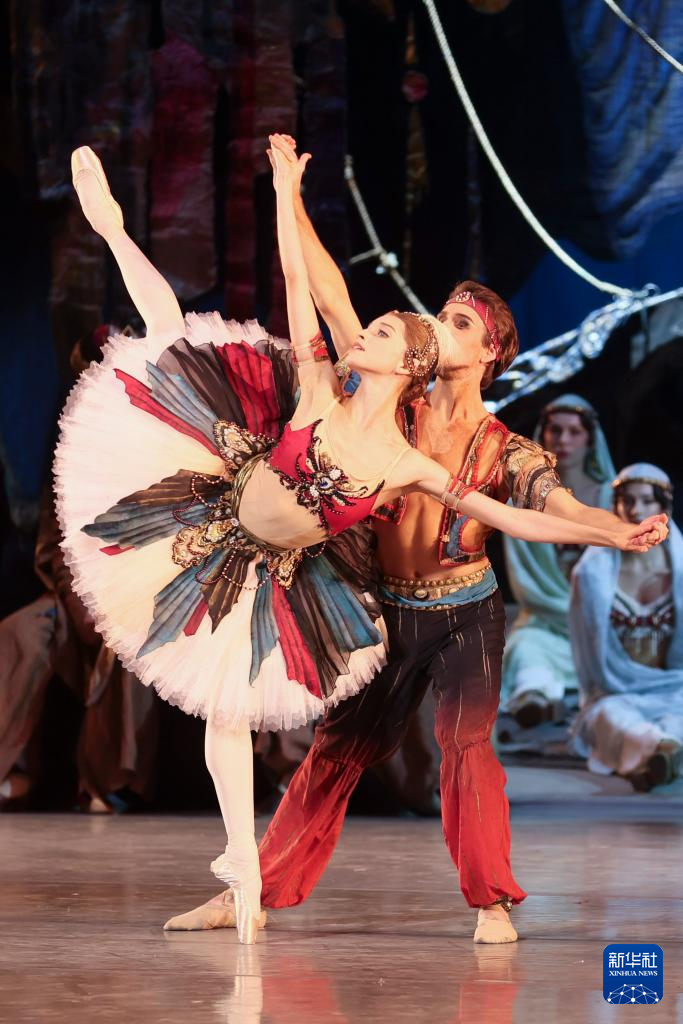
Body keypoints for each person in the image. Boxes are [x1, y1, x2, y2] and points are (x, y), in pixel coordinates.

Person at [163, 134, 666, 944]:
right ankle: (251, 891)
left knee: (466, 745)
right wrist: (291, 197)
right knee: (336, 751)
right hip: (388, 608)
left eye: (458, 322)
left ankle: (491, 900)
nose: (439, 324)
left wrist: (618, 532)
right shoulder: (389, 405)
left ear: (489, 351)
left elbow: (552, 504)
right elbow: (328, 297)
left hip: (467, 611)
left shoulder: (503, 446)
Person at [501, 396, 616, 729]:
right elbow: (527, 578)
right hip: (548, 621)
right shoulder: (523, 502)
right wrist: (566, 613)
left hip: (604, 619)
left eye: (574, 432)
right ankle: (535, 698)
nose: (563, 440)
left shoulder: (614, 499)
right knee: (526, 647)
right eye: (556, 431)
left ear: (590, 439)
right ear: (544, 435)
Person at [570, 464, 683, 790]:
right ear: (615, 506)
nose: (636, 510)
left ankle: (656, 756)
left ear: (664, 507)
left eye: (647, 501)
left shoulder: (680, 571)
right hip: (616, 692)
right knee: (612, 719)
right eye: (627, 501)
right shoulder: (591, 574)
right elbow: (586, 653)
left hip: (674, 686)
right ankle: (660, 750)